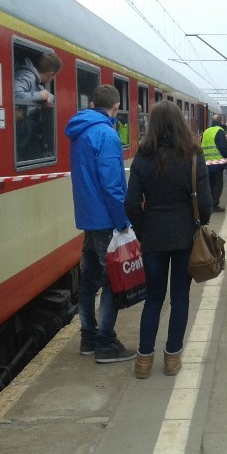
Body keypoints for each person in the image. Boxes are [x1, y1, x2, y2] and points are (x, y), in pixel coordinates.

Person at [125, 101, 211, 379]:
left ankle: (143, 362)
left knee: (153, 299)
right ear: (180, 123)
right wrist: (196, 224)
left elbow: (131, 204)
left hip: (153, 237)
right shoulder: (193, 156)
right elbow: (207, 205)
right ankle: (172, 359)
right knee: (180, 298)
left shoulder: (143, 156)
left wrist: (142, 230)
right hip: (185, 237)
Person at [65, 84, 135, 363]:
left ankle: (88, 338)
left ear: (93, 102)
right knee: (111, 281)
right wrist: (123, 223)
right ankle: (106, 343)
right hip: (107, 220)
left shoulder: (79, 131)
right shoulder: (106, 134)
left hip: (88, 218)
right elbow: (112, 184)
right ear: (115, 106)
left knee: (89, 280)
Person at [14, 51, 62, 160]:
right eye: (54, 76)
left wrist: (47, 97)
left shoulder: (36, 81)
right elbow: (15, 94)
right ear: (50, 74)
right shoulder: (27, 76)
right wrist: (40, 96)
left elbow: (47, 95)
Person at [201, 115, 227, 212]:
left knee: (210, 184)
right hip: (217, 162)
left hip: (206, 162)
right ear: (220, 121)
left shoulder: (206, 131)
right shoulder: (219, 131)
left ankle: (209, 203)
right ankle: (214, 204)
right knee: (218, 184)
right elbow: (223, 147)